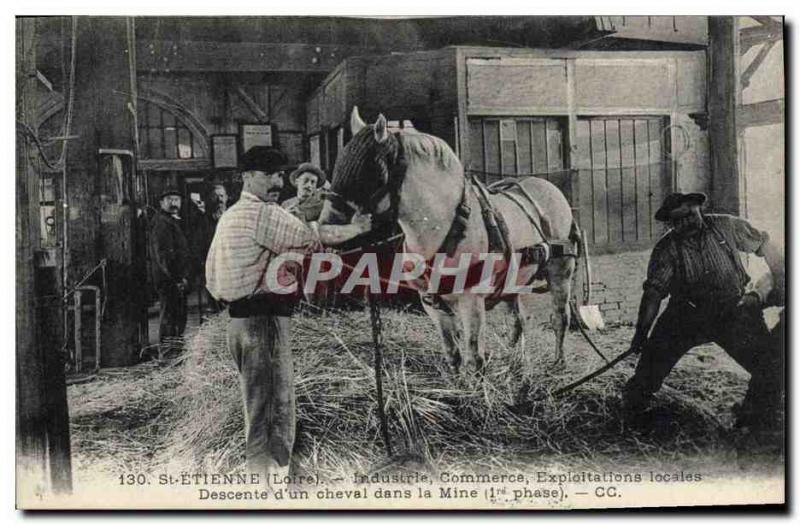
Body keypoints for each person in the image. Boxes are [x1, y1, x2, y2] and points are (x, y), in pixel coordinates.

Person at [205, 146, 372, 483]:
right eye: (270, 175)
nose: (278, 181)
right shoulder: (264, 213)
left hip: (238, 324)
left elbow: (210, 276)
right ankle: (270, 490)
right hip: (264, 322)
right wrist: (357, 228)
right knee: (274, 410)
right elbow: (312, 240)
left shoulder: (230, 217)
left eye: (280, 175)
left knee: (256, 406)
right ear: (248, 177)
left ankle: (265, 483)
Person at [623, 192, 784, 431]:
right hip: (685, 315)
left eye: (689, 215)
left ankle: (756, 422)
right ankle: (631, 416)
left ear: (700, 207)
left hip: (733, 310)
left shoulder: (726, 226)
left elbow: (764, 245)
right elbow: (654, 294)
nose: (684, 224)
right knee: (649, 370)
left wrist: (782, 281)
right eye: (676, 221)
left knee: (770, 365)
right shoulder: (666, 249)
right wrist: (641, 334)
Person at [149, 187, 192, 350]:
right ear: (161, 203)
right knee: (170, 316)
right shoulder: (162, 222)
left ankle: (174, 350)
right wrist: (177, 279)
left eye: (177, 200)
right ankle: (167, 352)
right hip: (169, 279)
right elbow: (164, 256)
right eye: (170, 200)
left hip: (175, 278)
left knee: (177, 316)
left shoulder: (172, 220)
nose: (174, 203)